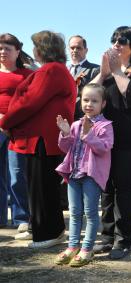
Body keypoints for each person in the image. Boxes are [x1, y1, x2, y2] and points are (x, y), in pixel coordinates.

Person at [0, 30, 76, 249]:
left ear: (42, 49)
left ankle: (47, 234)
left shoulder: (51, 70)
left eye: (35, 46)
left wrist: (5, 122)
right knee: (44, 187)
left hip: (43, 138)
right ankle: (51, 230)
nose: (32, 50)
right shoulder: (56, 70)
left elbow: (29, 102)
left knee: (42, 189)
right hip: (45, 138)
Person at [91, 26, 131, 260]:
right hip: (106, 140)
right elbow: (90, 96)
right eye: (114, 39)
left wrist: (117, 71)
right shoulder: (109, 72)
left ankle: (123, 240)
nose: (117, 43)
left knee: (125, 191)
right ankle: (107, 237)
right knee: (106, 190)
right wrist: (102, 73)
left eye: (123, 40)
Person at [54, 83, 113, 267]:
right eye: (86, 100)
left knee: (90, 212)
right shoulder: (76, 124)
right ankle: (72, 247)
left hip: (91, 175)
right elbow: (65, 148)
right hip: (73, 173)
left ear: (103, 104)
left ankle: (87, 249)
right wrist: (65, 132)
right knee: (74, 212)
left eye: (94, 101)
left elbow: (104, 148)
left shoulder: (105, 126)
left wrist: (88, 135)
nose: (89, 104)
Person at [0, 34, 33, 232]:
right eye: (0, 48)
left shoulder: (27, 74)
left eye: (7, 48)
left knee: (17, 174)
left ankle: (21, 218)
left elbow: (31, 102)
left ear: (18, 51)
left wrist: (10, 120)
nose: (3, 52)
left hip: (18, 130)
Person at [67, 35, 100, 120]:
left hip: (84, 119)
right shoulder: (63, 70)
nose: (75, 50)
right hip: (64, 118)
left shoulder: (96, 70)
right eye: (72, 47)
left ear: (86, 50)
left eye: (78, 48)